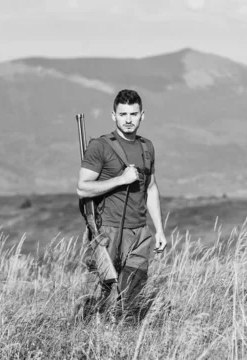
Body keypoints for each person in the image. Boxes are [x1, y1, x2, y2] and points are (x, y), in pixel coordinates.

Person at [76, 89, 167, 319]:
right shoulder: (101, 146)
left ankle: (128, 341)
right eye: (123, 114)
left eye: (133, 114)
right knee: (106, 294)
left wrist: (159, 230)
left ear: (142, 115)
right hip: (109, 230)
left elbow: (151, 188)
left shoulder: (147, 147)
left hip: (140, 232)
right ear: (113, 115)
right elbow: (83, 187)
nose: (128, 119)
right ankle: (91, 334)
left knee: (133, 297)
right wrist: (121, 180)